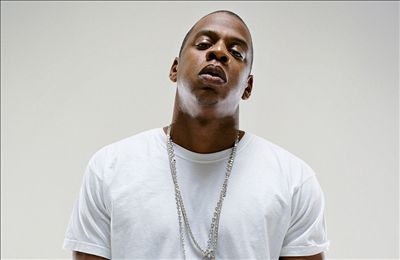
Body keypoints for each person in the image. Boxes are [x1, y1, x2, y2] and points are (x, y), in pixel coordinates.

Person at [63, 10, 329, 260]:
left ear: (248, 87)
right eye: (203, 45)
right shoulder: (109, 167)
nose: (218, 52)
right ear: (174, 69)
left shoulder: (293, 180)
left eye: (236, 53)